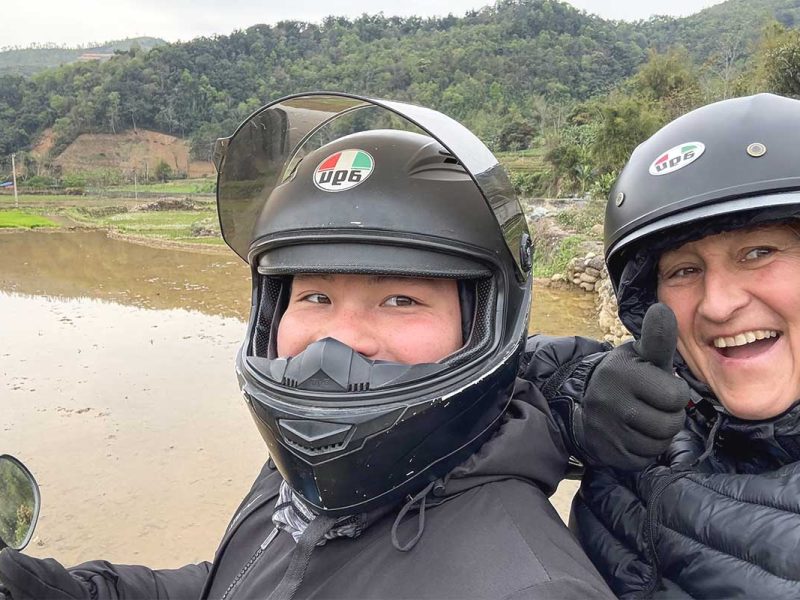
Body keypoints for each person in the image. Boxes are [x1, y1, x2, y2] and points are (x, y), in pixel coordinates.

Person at [0, 93, 617, 599]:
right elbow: (240, 584)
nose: (337, 342)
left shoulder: (528, 586)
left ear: (488, 322)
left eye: (400, 300)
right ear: (271, 310)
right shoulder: (307, 472)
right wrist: (69, 593)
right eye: (315, 297)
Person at [526, 92, 800, 598]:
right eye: (685, 270)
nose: (717, 305)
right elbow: (491, 377)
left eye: (758, 252)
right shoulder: (670, 408)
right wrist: (581, 400)